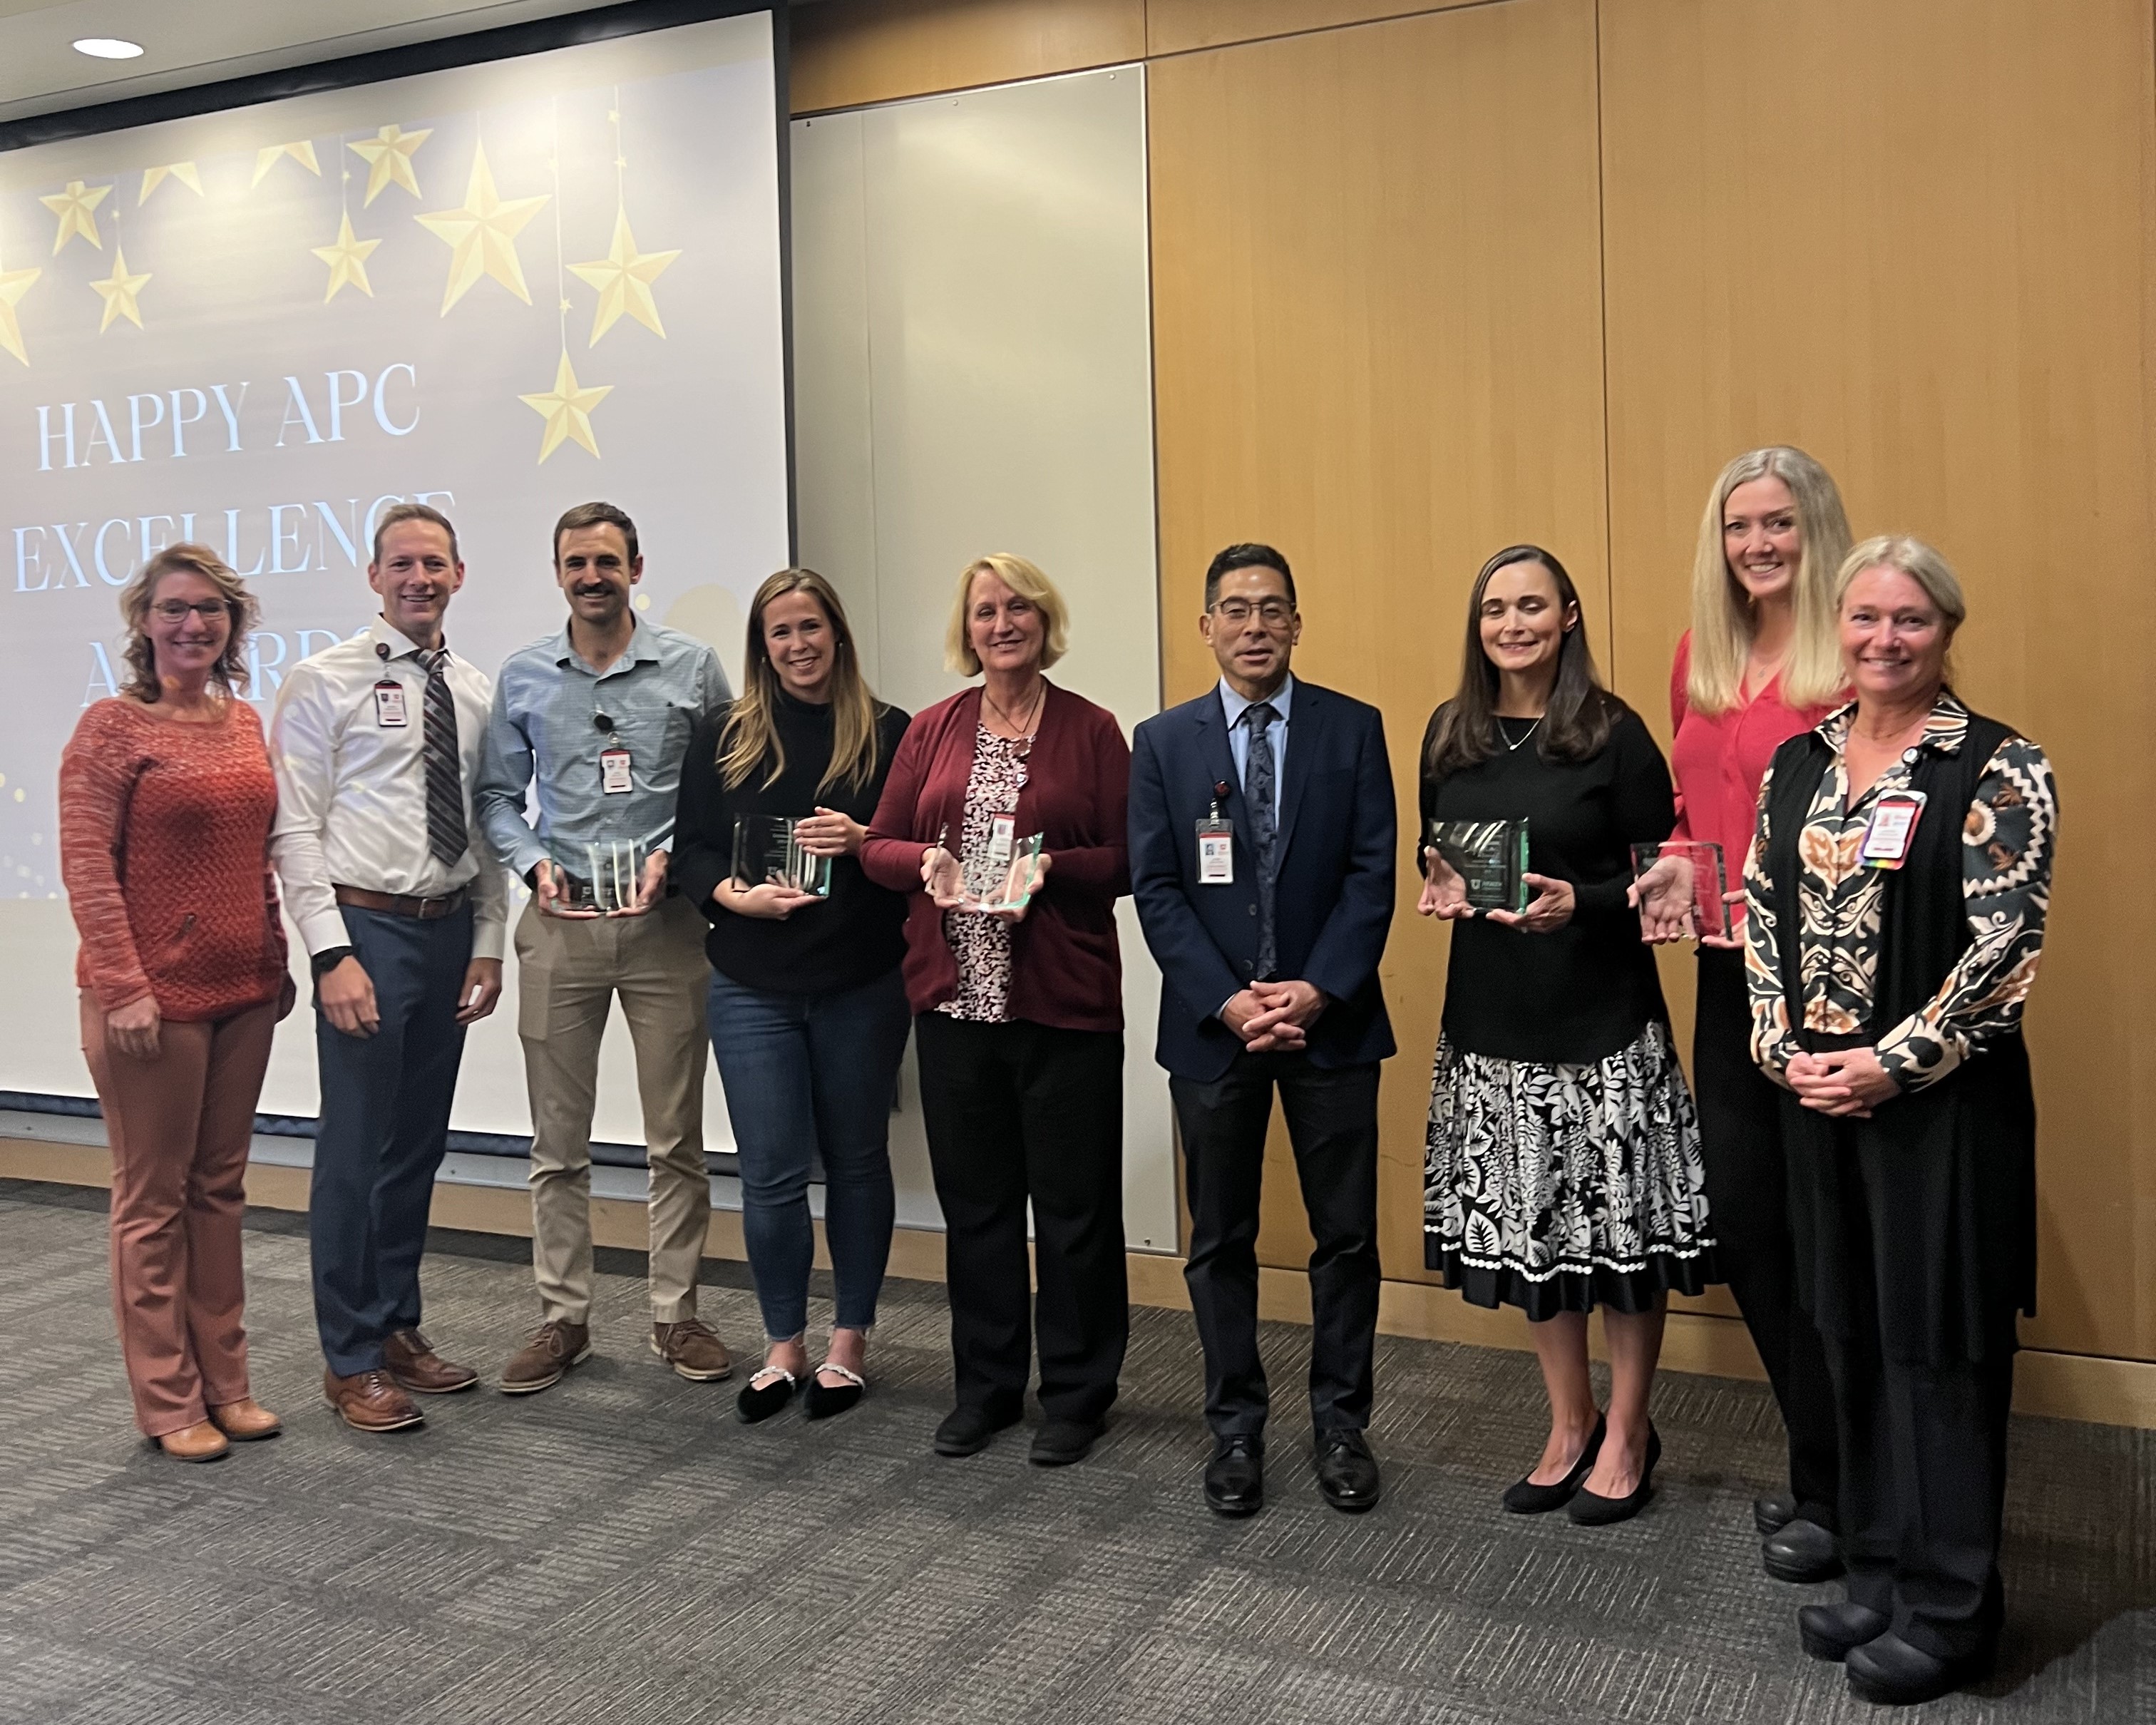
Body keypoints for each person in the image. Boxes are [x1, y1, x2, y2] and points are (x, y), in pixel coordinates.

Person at [1746, 536, 2053, 1706]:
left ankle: (1949, 1603)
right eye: (1864, 617)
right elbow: (1758, 909)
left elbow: (2000, 952)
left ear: (1943, 631)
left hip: (1936, 1108)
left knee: (1936, 1347)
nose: (1882, 638)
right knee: (1850, 1329)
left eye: (1908, 620)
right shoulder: (1797, 759)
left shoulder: (1995, 767)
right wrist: (1779, 1046)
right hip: (1815, 1100)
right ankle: (1875, 1563)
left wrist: (1887, 1061)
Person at [1420, 544, 1714, 1526]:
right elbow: (1450, 855)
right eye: (1495, 606)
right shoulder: (1450, 729)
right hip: (1492, 1025)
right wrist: (1445, 885)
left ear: (1569, 615)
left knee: (1621, 1244)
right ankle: (1569, 1420)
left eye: (1532, 605)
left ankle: (1629, 1427)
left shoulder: (1614, 732)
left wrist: (1577, 902)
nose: (1512, 623)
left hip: (1602, 1026)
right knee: (1535, 1238)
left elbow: (1661, 880)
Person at [1129, 543, 1395, 1520]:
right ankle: (1235, 1425)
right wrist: (1230, 1000)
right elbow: (1156, 888)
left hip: (1334, 1027)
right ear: (1206, 627)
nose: (1253, 625)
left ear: (1296, 622)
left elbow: (1374, 875)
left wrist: (1318, 989)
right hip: (1214, 1030)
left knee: (1345, 1236)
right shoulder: (1162, 742)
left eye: (1271, 608)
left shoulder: (1353, 728)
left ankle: (1340, 1421)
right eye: (1234, 609)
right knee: (1219, 1238)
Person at [861, 554, 1131, 1468]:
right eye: (985, 610)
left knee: (1073, 1209)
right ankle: (985, 1388)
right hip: (954, 1006)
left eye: (1018, 606)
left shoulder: (1093, 730)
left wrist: (1052, 868)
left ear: (1043, 621)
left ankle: (1078, 1394)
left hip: (1064, 1008)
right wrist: (923, 867)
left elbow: (1132, 858)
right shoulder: (933, 729)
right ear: (967, 629)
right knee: (976, 1209)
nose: (1002, 622)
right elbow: (881, 846)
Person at [1636, 446, 1852, 1582]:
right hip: (1728, 978)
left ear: (1816, 528)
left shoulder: (1848, 655)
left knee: (1832, 1241)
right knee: (1752, 1230)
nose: (1757, 545)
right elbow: (1688, 803)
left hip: (1830, 984)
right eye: (1737, 527)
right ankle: (1824, 1469)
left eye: (1777, 524)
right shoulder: (1702, 654)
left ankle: (1858, 1489)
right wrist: (1673, 862)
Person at [476, 501, 733, 1394]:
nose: (593, 576)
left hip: (666, 931)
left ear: (635, 565)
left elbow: (728, 786)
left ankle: (676, 1313)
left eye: (607, 561)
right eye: (577, 563)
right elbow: (499, 799)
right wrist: (532, 866)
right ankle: (563, 1318)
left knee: (677, 1138)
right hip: (560, 929)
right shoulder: (522, 677)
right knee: (558, 1144)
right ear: (559, 574)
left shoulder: (694, 669)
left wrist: (679, 857)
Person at [270, 503, 507, 1432]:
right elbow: (295, 828)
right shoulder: (321, 680)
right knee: (354, 1149)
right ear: (374, 577)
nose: (419, 576)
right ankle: (351, 1357)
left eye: (435, 562)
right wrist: (331, 953)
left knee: (415, 1146)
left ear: (459, 574)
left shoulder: (478, 690)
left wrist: (488, 941)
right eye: (401, 562)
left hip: (449, 933)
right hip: (365, 931)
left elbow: (488, 825)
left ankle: (397, 1323)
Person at [59, 546, 292, 1462]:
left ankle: (226, 1383)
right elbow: (86, 867)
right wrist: (122, 986)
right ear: (144, 623)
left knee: (219, 1193)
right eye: (174, 609)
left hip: (244, 995)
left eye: (211, 611)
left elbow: (259, 857)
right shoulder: (111, 728)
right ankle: (166, 1401)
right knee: (151, 1202)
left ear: (233, 625)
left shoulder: (243, 724)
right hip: (148, 1005)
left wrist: (275, 963)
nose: (193, 625)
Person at [672, 569, 912, 1423]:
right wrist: (733, 897)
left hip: (860, 984)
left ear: (838, 635)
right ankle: (783, 1345)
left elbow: (916, 855)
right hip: (752, 987)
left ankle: (849, 1341)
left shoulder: (889, 733)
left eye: (812, 627)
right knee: (770, 1175)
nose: (799, 645)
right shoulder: (723, 734)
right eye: (781, 632)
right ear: (761, 645)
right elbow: (691, 851)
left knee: (856, 1164)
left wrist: (865, 841)